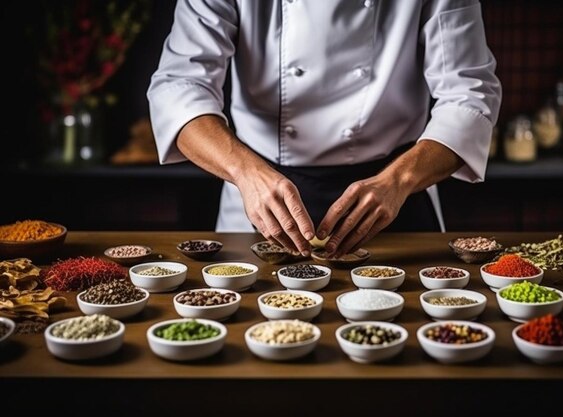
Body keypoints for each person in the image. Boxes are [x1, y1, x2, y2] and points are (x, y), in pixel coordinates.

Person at [147, 0, 502, 258]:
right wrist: (244, 171)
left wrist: (399, 181)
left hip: (393, 198)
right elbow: (179, 89)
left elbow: (470, 97)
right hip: (259, 195)